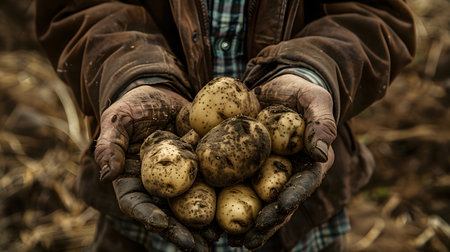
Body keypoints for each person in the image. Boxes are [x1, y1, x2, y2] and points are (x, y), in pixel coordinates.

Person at [35, 0, 415, 251]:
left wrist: (314, 71)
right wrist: (133, 76)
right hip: (138, 231)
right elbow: (73, 8)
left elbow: (375, 15)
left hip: (304, 222)